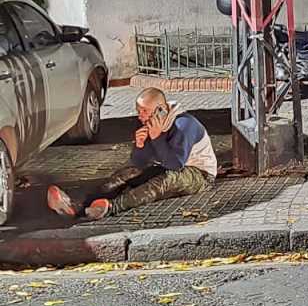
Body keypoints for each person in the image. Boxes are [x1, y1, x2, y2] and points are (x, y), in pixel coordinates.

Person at [47, 88, 217, 221]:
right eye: (138, 111)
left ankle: (111, 207)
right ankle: (78, 205)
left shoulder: (184, 125)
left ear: (161, 110)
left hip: (199, 174)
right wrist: (141, 145)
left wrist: (156, 138)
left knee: (164, 181)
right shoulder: (147, 122)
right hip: (165, 165)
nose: (140, 116)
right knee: (127, 174)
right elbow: (139, 162)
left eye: (145, 111)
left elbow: (175, 164)